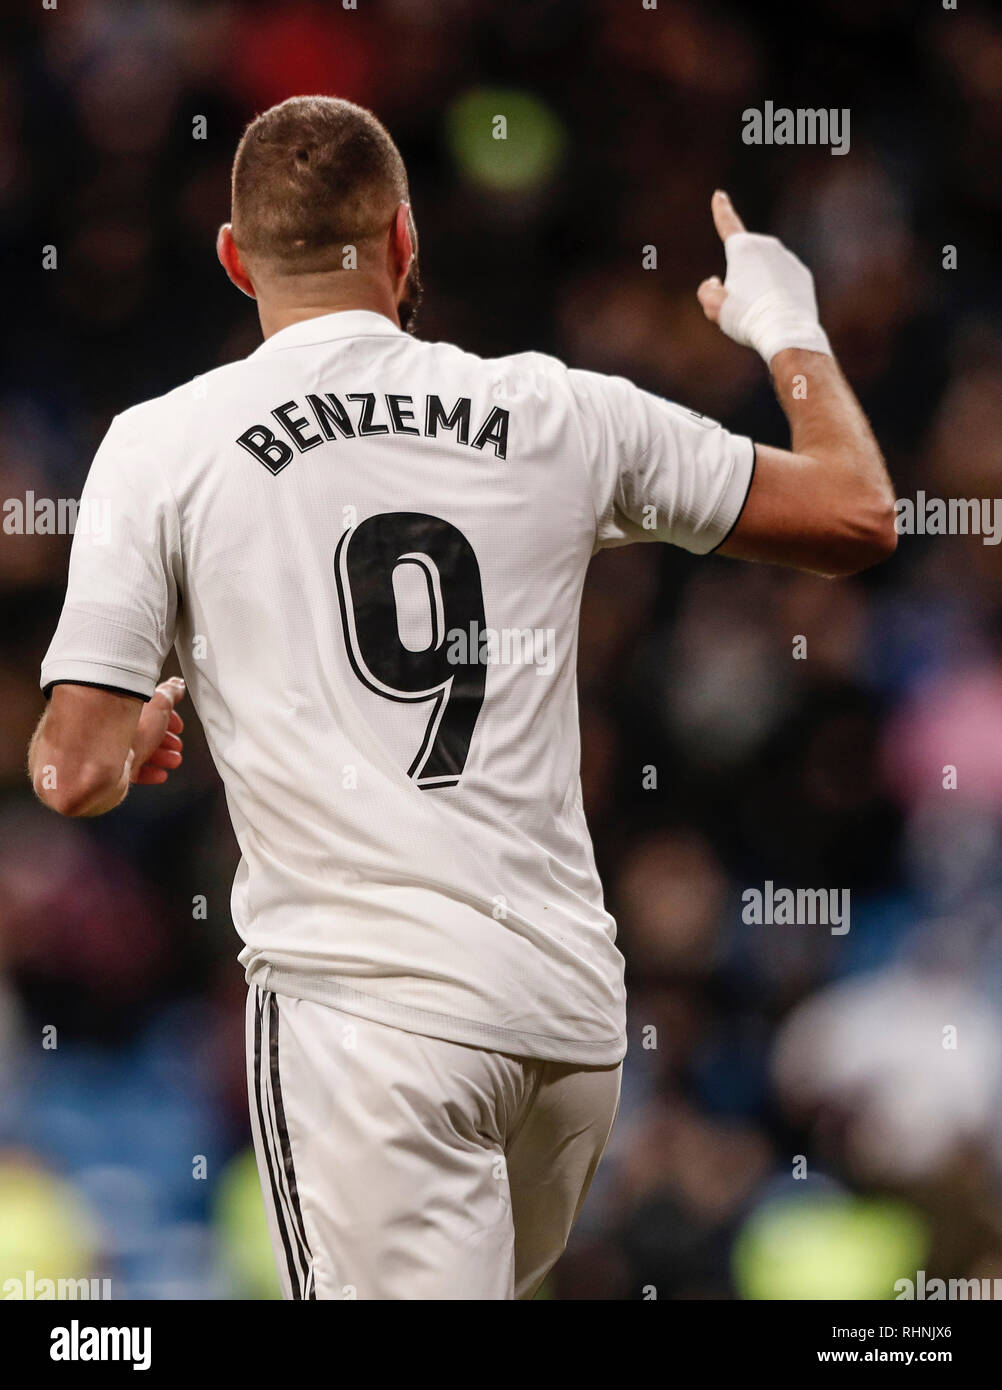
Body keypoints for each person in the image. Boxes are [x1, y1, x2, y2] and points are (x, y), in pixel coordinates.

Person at [27, 95, 896, 1300]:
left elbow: (73, 772)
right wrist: (784, 321)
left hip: (372, 1022)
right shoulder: (563, 410)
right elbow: (856, 513)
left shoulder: (162, 444)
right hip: (569, 1030)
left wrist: (136, 734)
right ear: (402, 241)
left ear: (235, 260)